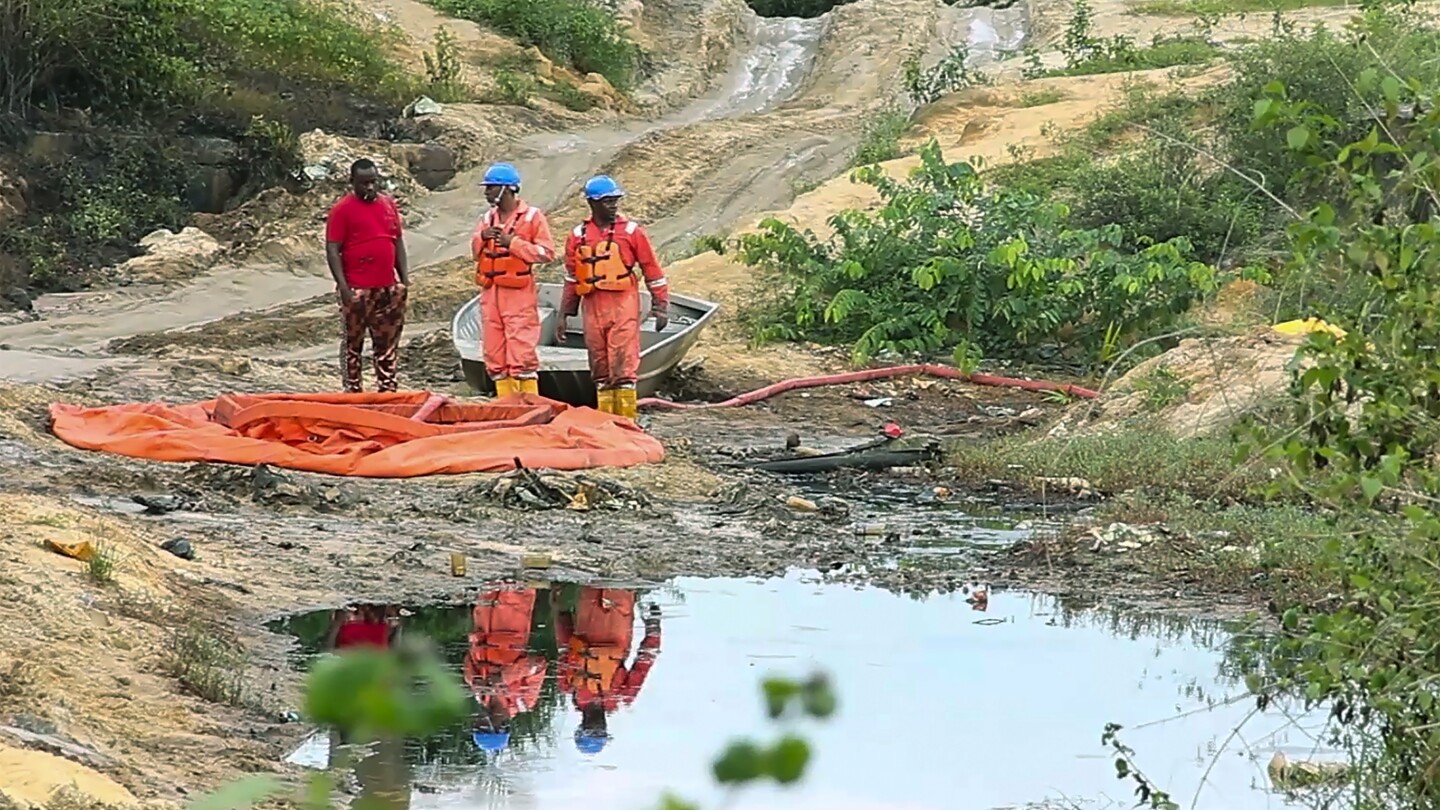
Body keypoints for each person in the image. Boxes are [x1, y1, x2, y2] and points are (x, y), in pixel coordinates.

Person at [558, 176, 670, 420]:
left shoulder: (631, 232)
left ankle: (626, 423)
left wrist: (661, 306)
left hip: (623, 304)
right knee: (600, 366)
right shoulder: (577, 235)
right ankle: (607, 423)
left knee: (623, 365)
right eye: (607, 201)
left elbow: (652, 269)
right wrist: (565, 313)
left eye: (615, 201)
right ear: (592, 203)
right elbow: (572, 276)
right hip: (592, 307)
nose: (613, 206)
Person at [325, 158, 410, 394]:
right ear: (352, 183)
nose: (370, 188)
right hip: (357, 288)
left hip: (388, 287)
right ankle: (352, 390)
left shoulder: (388, 205)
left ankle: (387, 389)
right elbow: (332, 248)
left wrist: (403, 279)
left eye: (373, 182)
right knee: (354, 343)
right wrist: (343, 287)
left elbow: (397, 241)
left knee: (387, 343)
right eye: (364, 183)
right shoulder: (341, 210)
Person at [472, 163, 556, 398]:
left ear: (507, 189)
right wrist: (482, 238)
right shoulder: (487, 218)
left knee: (521, 351)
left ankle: (529, 406)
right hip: (491, 292)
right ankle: (506, 405)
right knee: (494, 353)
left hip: (518, 294)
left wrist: (514, 243)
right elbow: (474, 250)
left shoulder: (532, 217)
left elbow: (546, 253)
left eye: (491, 187)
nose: (486, 192)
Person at [552, 585, 661, 756]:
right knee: (621, 583)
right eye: (601, 732)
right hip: (618, 629)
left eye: (592, 731)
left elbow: (565, 648)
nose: (598, 727)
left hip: (587, 624)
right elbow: (644, 662)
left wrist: (561, 614)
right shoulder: (623, 696)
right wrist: (653, 631)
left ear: (582, 727)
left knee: (592, 580)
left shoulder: (569, 687)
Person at [464, 586, 549, 755]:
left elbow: (468, 659)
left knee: (488, 577)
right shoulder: (524, 701)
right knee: (516, 584)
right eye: (483, 726)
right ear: (499, 727)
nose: (479, 721)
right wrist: (504, 678)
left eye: (477, 726)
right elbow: (538, 664)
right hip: (511, 626)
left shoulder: (480, 696)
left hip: (483, 626)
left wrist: (473, 680)